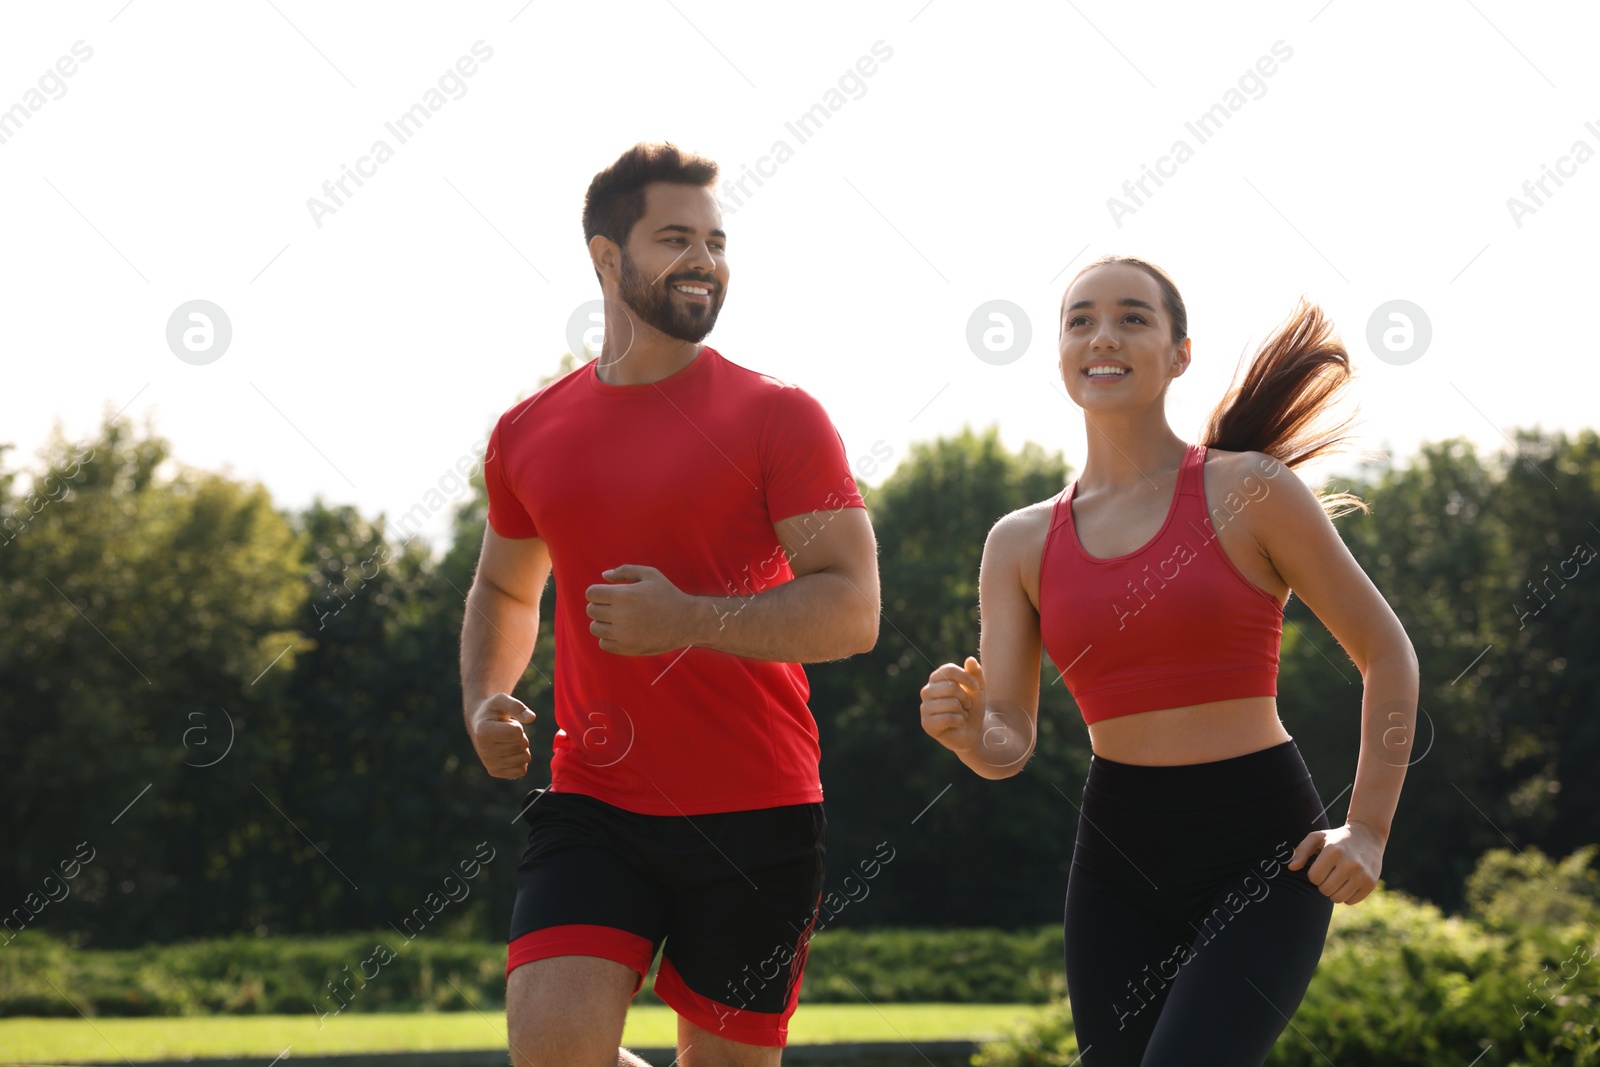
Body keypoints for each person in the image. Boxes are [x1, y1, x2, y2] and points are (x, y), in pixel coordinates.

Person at [917, 255, 1419, 1065]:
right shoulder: (1017, 541)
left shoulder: (1252, 490)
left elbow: (1387, 651)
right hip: (1118, 852)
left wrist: (1366, 827)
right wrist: (971, 732)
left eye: (1132, 317)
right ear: (1059, 354)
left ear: (1180, 353)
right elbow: (1009, 742)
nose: (1101, 335)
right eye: (1079, 319)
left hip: (1263, 849)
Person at [461, 142, 880, 1067]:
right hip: (594, 801)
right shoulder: (529, 432)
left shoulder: (780, 416)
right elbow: (503, 583)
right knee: (553, 1053)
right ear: (607, 259)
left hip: (758, 812)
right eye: (677, 237)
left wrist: (689, 617)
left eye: (718, 241)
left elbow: (853, 609)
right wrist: (486, 695)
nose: (706, 260)